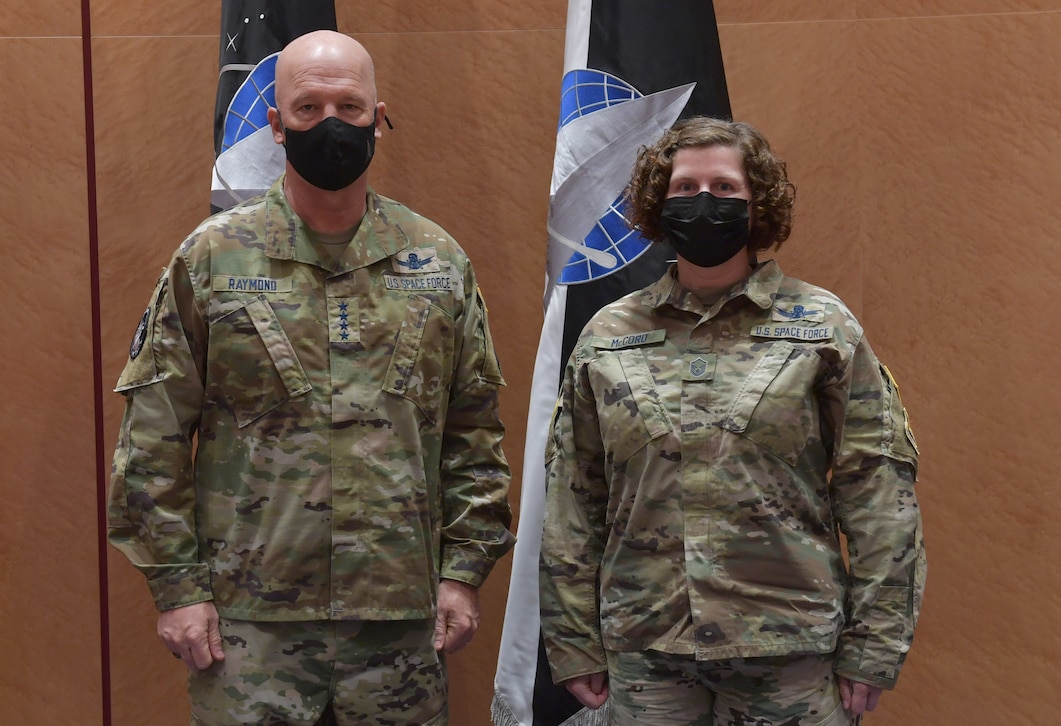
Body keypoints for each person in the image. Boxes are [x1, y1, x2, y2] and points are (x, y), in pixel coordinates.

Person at [108, 30, 515, 726]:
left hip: (398, 622)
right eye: (308, 108)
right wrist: (177, 588)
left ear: (378, 118)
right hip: (251, 625)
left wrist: (462, 572)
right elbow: (154, 436)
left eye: (350, 107)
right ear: (276, 123)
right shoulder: (212, 259)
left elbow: (472, 433)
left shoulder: (437, 261)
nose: (331, 123)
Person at [538, 117, 925, 725]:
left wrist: (876, 643)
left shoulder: (824, 326)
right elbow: (572, 498)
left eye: (724, 189)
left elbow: (878, 491)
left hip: (788, 647)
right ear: (657, 204)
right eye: (685, 188)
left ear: (758, 203)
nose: (703, 202)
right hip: (647, 649)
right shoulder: (609, 334)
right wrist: (571, 638)